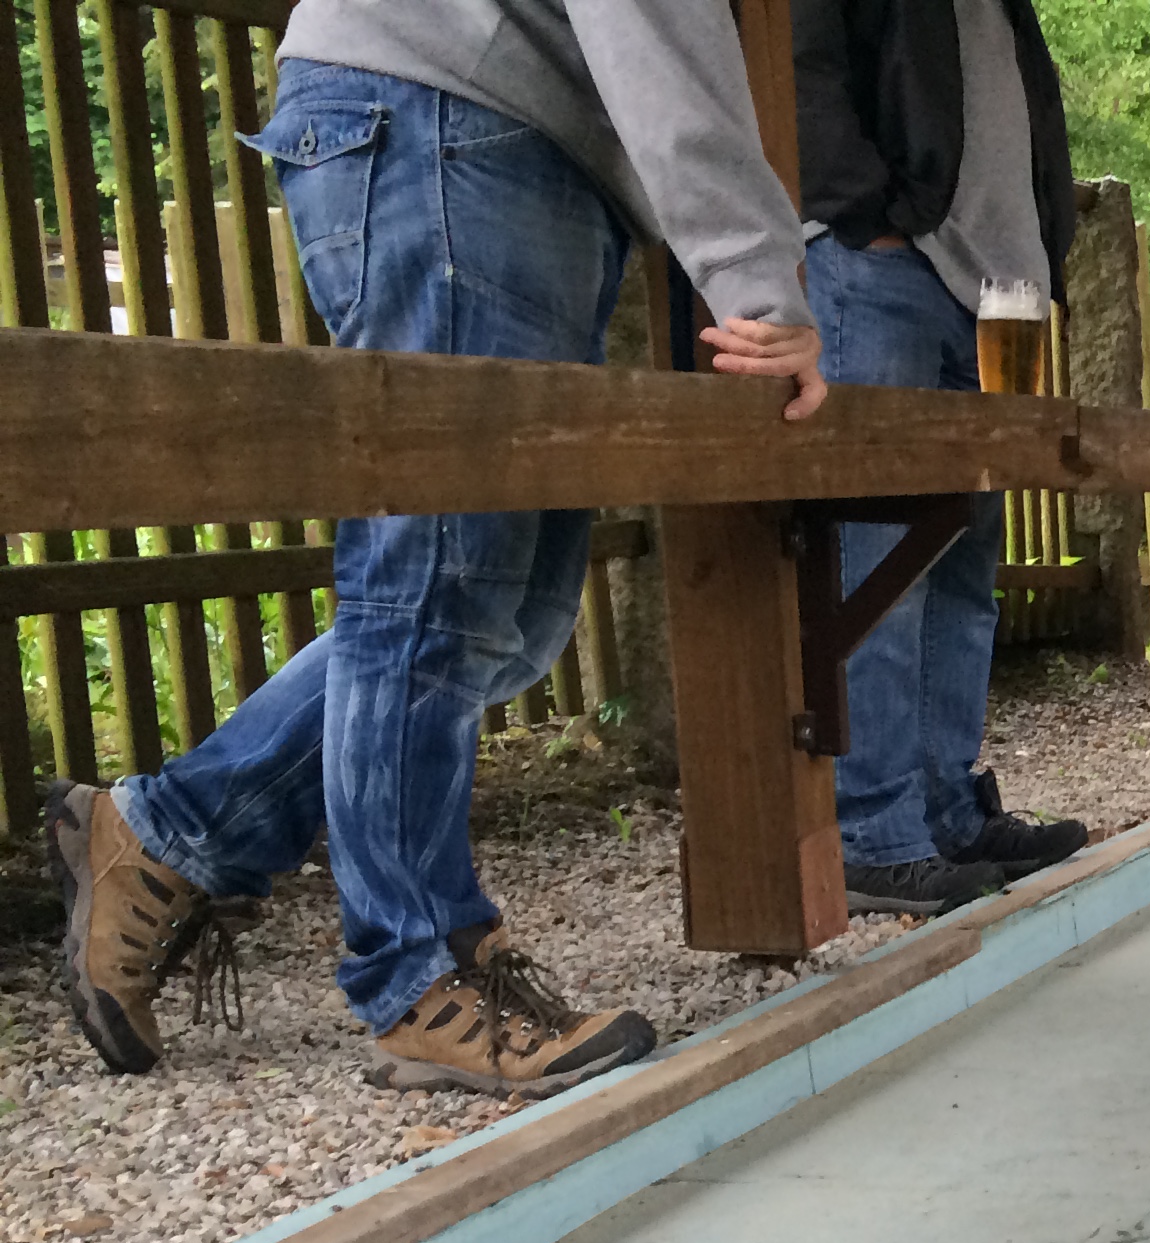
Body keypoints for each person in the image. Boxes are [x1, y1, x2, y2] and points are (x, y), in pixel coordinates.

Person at [49, 0, 825, 1098]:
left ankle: (169, 831)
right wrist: (759, 284)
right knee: (437, 579)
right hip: (445, 121)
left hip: (483, 134)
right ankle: (421, 974)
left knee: (506, 617)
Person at [797, 0, 1089, 917]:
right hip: (887, 267)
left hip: (993, 291)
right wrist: (869, 218)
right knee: (880, 565)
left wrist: (1044, 251)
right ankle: (875, 836)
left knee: (962, 570)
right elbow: (803, 64)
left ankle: (946, 814)